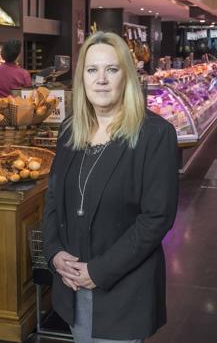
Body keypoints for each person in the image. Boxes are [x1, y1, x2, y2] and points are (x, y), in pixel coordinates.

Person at [43, 31, 179, 343]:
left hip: (123, 292)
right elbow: (53, 198)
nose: (101, 79)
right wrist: (54, 252)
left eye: (111, 69)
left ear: (127, 76)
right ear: (82, 78)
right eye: (92, 70)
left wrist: (99, 271)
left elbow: (156, 218)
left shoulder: (154, 135)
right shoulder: (69, 131)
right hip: (72, 288)